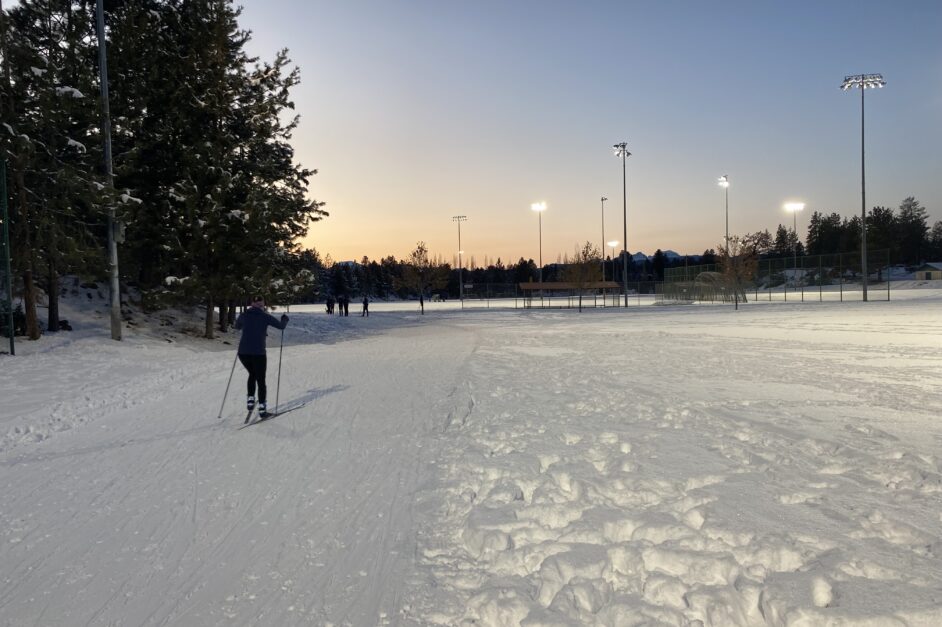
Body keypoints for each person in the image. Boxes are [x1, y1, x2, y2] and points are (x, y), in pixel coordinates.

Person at [234, 295, 288, 418]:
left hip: (243, 353)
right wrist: (285, 319)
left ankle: (250, 399)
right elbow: (281, 326)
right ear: (262, 304)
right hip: (258, 353)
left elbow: (237, 327)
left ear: (251, 303)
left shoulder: (244, 315)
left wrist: (244, 323)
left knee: (252, 374)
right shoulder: (265, 316)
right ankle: (262, 409)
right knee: (261, 380)